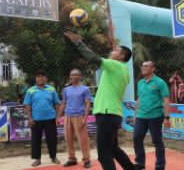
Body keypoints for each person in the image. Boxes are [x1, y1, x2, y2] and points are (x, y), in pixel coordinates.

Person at [64, 31, 136, 170]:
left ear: (121, 56)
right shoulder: (123, 70)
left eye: (116, 50)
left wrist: (79, 43)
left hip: (107, 113)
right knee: (113, 149)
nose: (112, 51)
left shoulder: (115, 66)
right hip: (113, 114)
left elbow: (94, 58)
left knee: (104, 154)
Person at [133, 61, 170, 170]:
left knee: (157, 141)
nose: (143, 68)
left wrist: (167, 117)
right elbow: (139, 100)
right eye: (142, 66)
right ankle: (140, 163)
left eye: (146, 66)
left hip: (155, 116)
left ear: (153, 68)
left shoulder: (160, 82)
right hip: (141, 116)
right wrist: (135, 115)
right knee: (136, 138)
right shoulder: (140, 82)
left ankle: (160, 166)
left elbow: (166, 101)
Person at [23, 71, 61, 167]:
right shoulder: (30, 90)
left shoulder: (51, 89)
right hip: (36, 119)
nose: (40, 79)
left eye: (42, 77)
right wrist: (30, 118)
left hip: (50, 118)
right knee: (36, 139)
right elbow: (27, 106)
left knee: (52, 139)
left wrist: (57, 117)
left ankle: (53, 157)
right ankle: (37, 159)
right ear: (36, 79)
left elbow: (57, 104)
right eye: (38, 77)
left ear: (46, 79)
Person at [58, 69, 91, 168]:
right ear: (70, 77)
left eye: (77, 74)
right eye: (72, 75)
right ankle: (72, 159)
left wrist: (85, 118)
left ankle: (87, 160)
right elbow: (63, 103)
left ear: (80, 76)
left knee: (83, 139)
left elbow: (87, 103)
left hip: (79, 116)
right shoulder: (66, 90)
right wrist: (58, 117)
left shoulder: (85, 89)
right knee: (68, 139)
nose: (74, 76)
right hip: (67, 116)